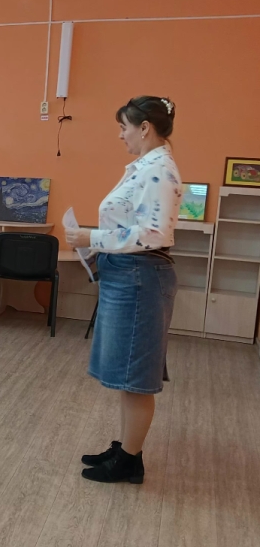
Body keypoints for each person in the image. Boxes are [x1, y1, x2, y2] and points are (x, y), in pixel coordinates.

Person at [66, 96, 182, 485]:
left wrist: (92, 237)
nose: (121, 135)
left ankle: (130, 462)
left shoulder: (158, 169)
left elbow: (154, 234)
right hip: (129, 275)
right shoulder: (147, 166)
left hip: (139, 277)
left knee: (135, 375)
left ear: (144, 128)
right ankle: (125, 448)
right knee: (126, 372)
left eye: (124, 127)